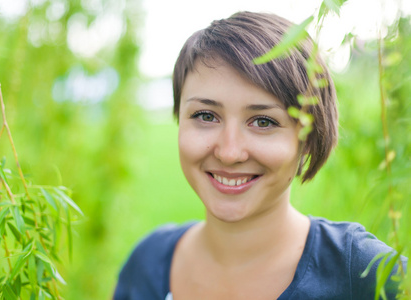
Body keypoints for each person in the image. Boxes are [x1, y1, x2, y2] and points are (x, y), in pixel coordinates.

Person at [113, 11, 407, 300]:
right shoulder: (146, 264)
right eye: (205, 115)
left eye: (263, 122)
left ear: (308, 136)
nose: (229, 153)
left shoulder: (365, 275)